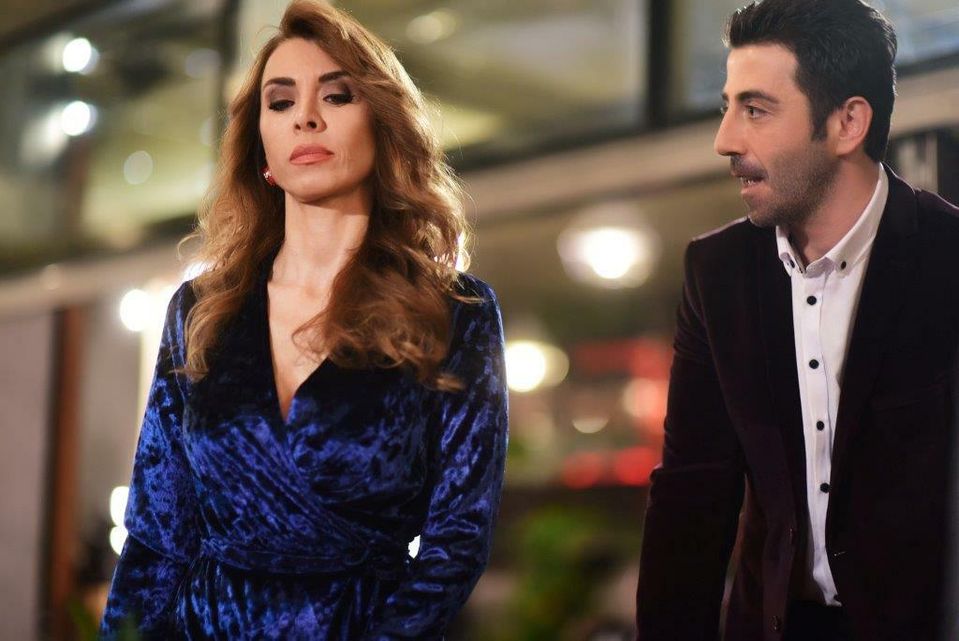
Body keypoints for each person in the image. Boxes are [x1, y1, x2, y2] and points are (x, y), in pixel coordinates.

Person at [99, 1, 508, 638]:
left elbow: (457, 543)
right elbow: (156, 539)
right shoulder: (201, 309)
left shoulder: (455, 313)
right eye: (281, 101)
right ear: (261, 141)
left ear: (383, 124)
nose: (306, 117)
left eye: (337, 96)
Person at [635, 1, 959, 640]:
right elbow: (691, 494)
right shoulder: (717, 270)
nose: (725, 139)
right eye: (727, 107)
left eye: (755, 110)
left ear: (847, 123)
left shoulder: (947, 257)